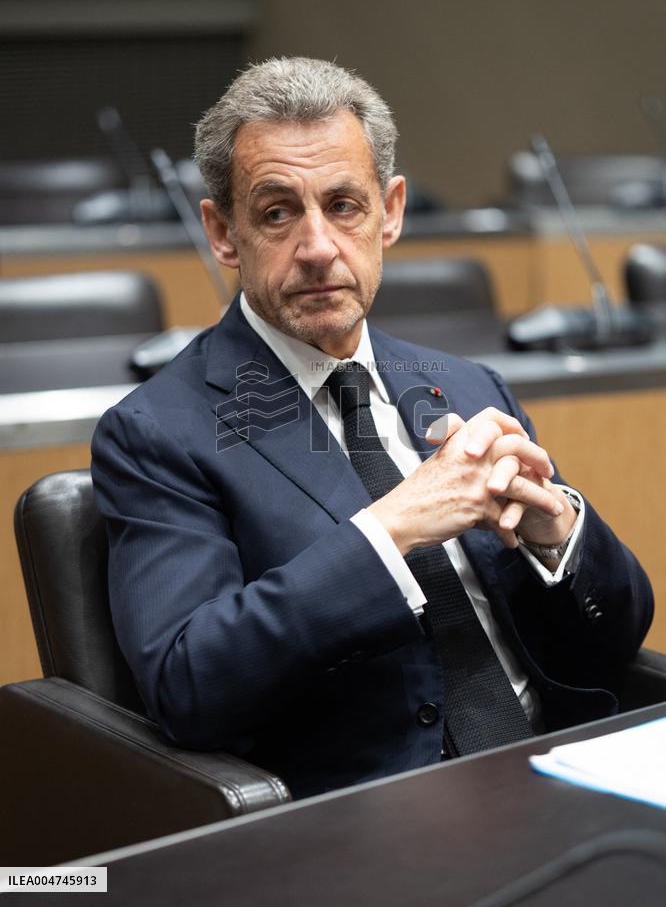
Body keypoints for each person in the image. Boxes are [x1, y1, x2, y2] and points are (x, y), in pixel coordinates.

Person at [91, 57, 652, 799]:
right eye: (278, 212)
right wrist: (389, 532)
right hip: (370, 813)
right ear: (223, 232)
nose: (319, 246)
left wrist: (561, 539)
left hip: (558, 773)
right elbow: (190, 684)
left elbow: (618, 634)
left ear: (389, 213)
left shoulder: (467, 386)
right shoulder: (157, 433)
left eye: (344, 205)